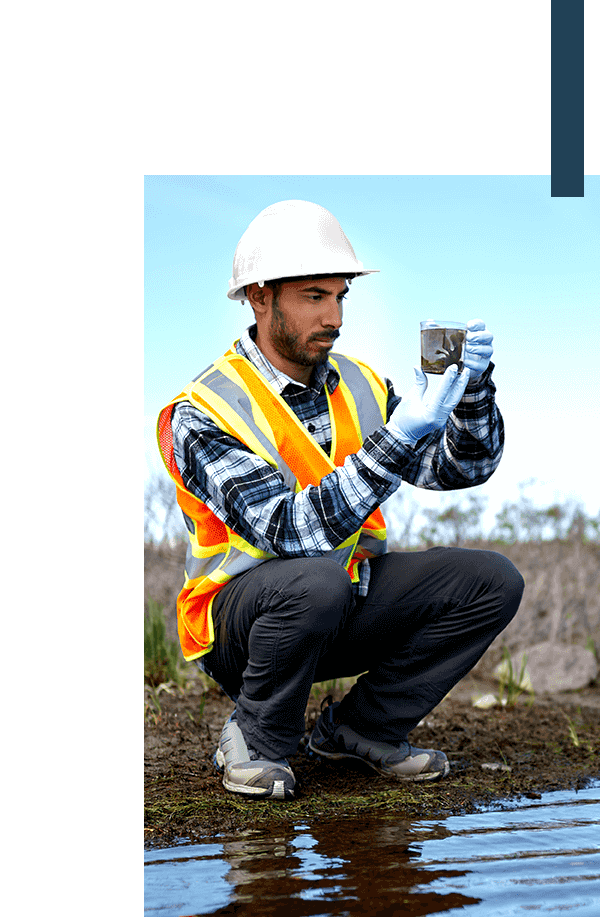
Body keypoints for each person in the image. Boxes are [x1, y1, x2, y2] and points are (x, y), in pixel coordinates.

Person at [154, 199, 523, 799]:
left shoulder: (362, 384)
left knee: (491, 581)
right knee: (311, 581)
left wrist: (473, 392)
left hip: (344, 599)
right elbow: (287, 531)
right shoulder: (203, 410)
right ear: (258, 297)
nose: (335, 317)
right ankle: (257, 739)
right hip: (245, 627)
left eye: (340, 296)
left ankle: (361, 731)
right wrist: (400, 436)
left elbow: (463, 468)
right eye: (313, 296)